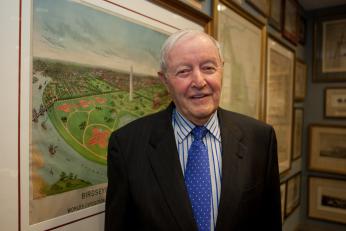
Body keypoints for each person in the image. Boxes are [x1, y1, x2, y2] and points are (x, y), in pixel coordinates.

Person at [105, 29, 281, 231]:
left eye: (208, 68)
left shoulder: (260, 139)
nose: (199, 81)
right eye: (184, 71)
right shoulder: (127, 146)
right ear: (164, 80)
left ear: (221, 70)